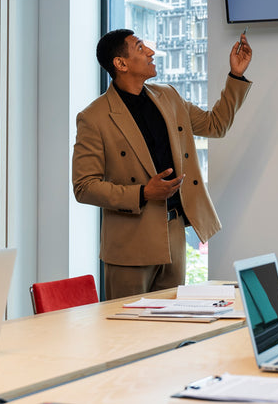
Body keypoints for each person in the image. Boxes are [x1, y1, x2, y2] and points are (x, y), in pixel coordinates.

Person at [73, 29, 252, 300]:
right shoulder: (94, 117)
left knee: (171, 331)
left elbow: (216, 125)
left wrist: (235, 76)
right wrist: (142, 193)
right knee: (129, 335)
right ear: (121, 64)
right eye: (140, 47)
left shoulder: (168, 96)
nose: (151, 52)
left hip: (174, 236)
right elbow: (84, 187)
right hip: (129, 245)